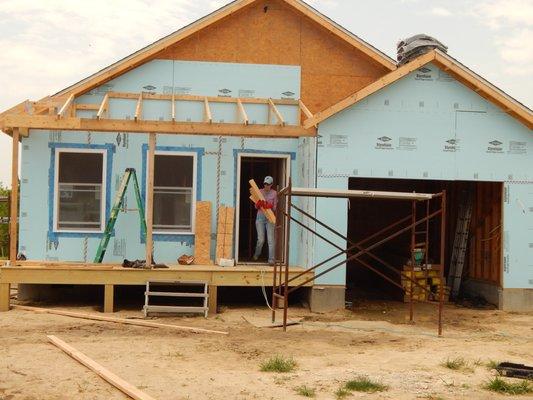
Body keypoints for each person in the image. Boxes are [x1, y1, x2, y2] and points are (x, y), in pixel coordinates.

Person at [253, 176, 278, 265]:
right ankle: (256, 254)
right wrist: (258, 204)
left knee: (271, 240)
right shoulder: (259, 191)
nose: (266, 185)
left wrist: (270, 206)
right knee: (261, 239)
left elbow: (275, 207)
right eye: (265, 184)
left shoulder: (274, 193)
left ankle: (271, 260)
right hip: (260, 218)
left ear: (271, 184)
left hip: (269, 218)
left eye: (268, 184)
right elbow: (255, 206)